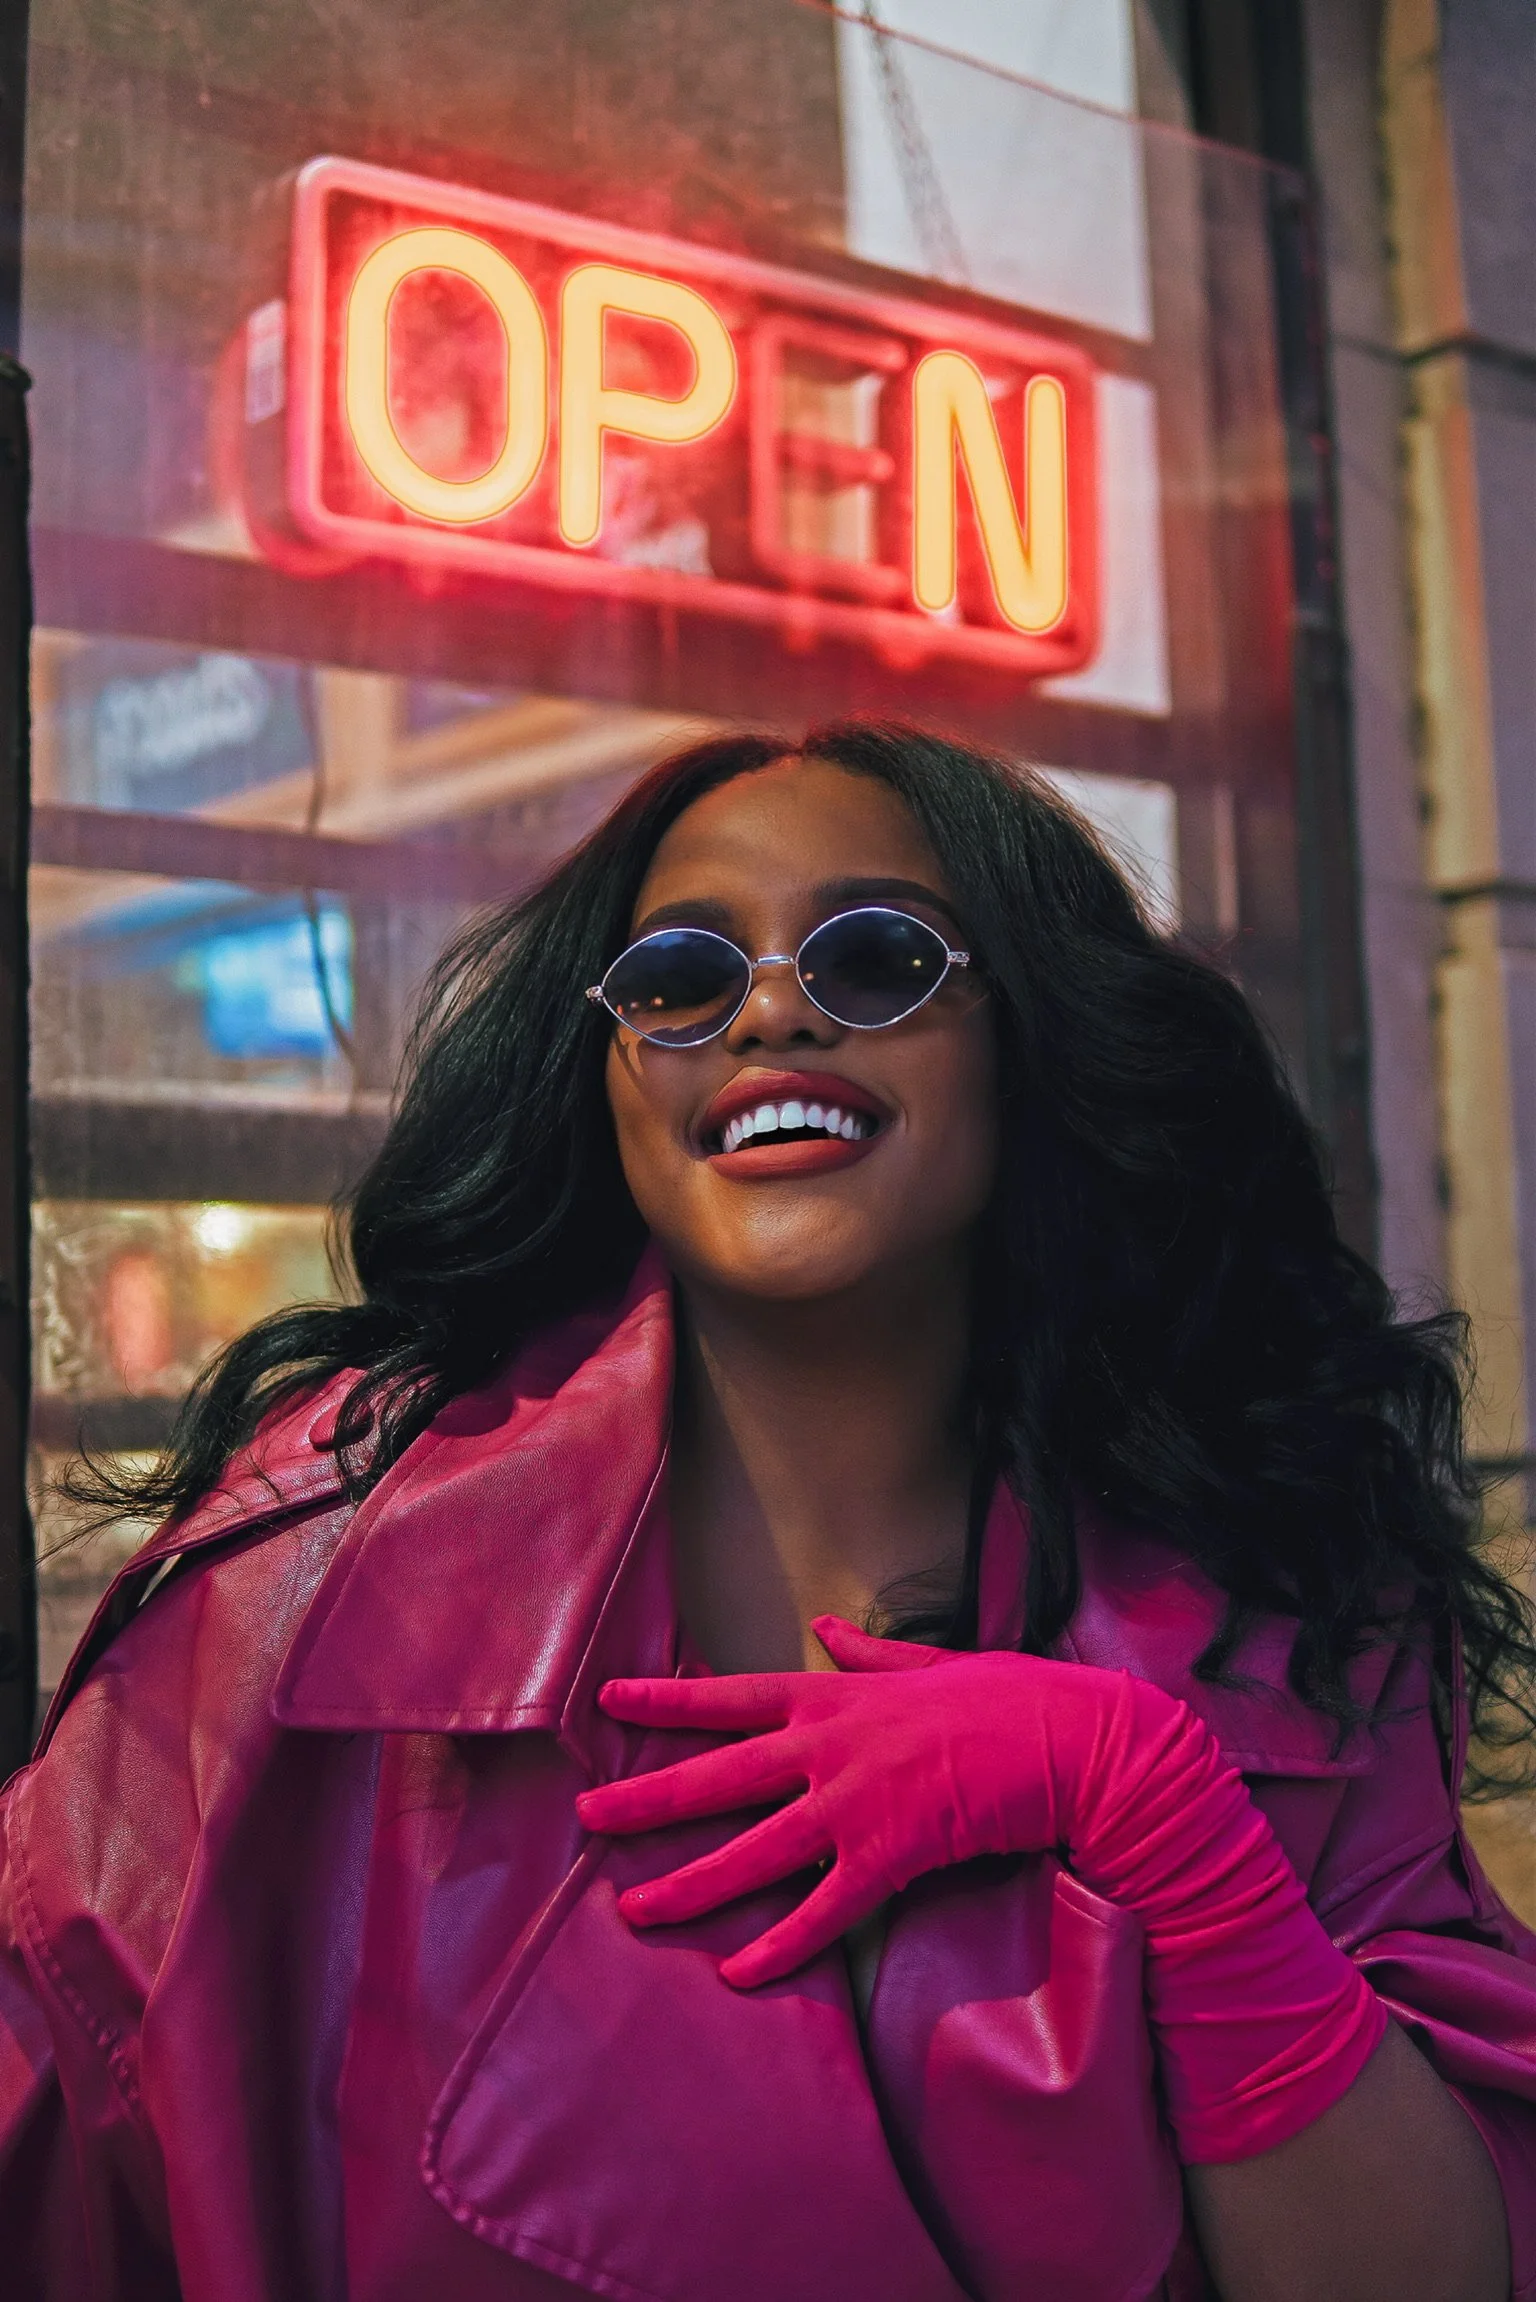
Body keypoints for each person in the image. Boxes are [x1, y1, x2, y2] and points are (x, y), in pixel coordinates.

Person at [2, 722, 1534, 2302]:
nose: (774, 1010)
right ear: (608, 1078)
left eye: (876, 957)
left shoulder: (1282, 1593)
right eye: (679, 977)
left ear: (1028, 1041)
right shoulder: (320, 1591)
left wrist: (1160, 1816)